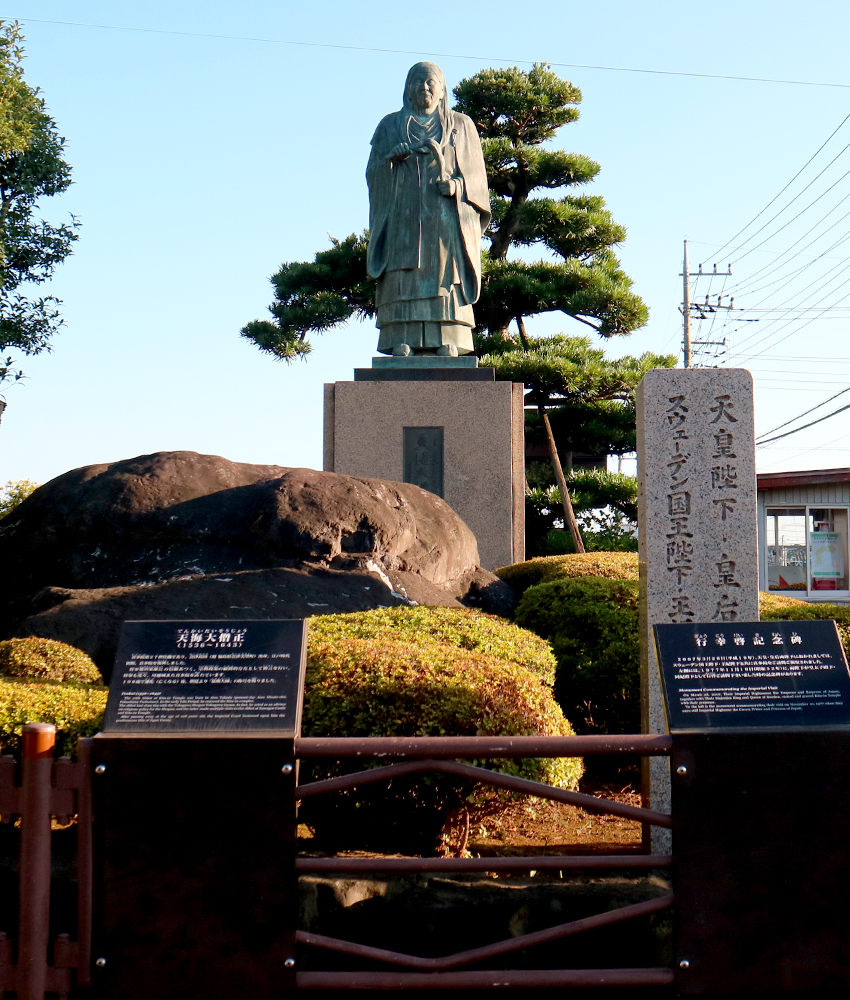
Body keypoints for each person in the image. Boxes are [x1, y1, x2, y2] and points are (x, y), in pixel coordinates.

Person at [366, 62, 491, 357]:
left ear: (442, 89)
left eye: (430, 82)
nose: (424, 87)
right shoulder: (389, 126)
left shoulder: (461, 125)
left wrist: (457, 187)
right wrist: (390, 163)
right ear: (407, 89)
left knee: (445, 277)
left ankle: (449, 337)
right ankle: (401, 338)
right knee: (403, 275)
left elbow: (477, 180)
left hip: (444, 220)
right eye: (417, 82)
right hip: (402, 218)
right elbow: (373, 172)